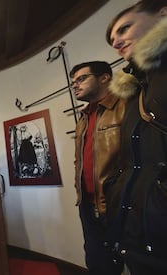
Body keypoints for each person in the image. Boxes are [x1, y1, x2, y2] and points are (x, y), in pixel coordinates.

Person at [104, 0, 167, 273]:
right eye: (112, 40)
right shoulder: (135, 91)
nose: (117, 42)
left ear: (163, 14)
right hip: (142, 233)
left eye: (124, 28)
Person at [71, 61, 126, 275]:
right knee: (96, 263)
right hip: (87, 204)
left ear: (104, 78)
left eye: (81, 79)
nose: (75, 85)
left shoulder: (125, 105)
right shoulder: (83, 118)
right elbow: (80, 161)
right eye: (73, 82)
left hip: (119, 203)